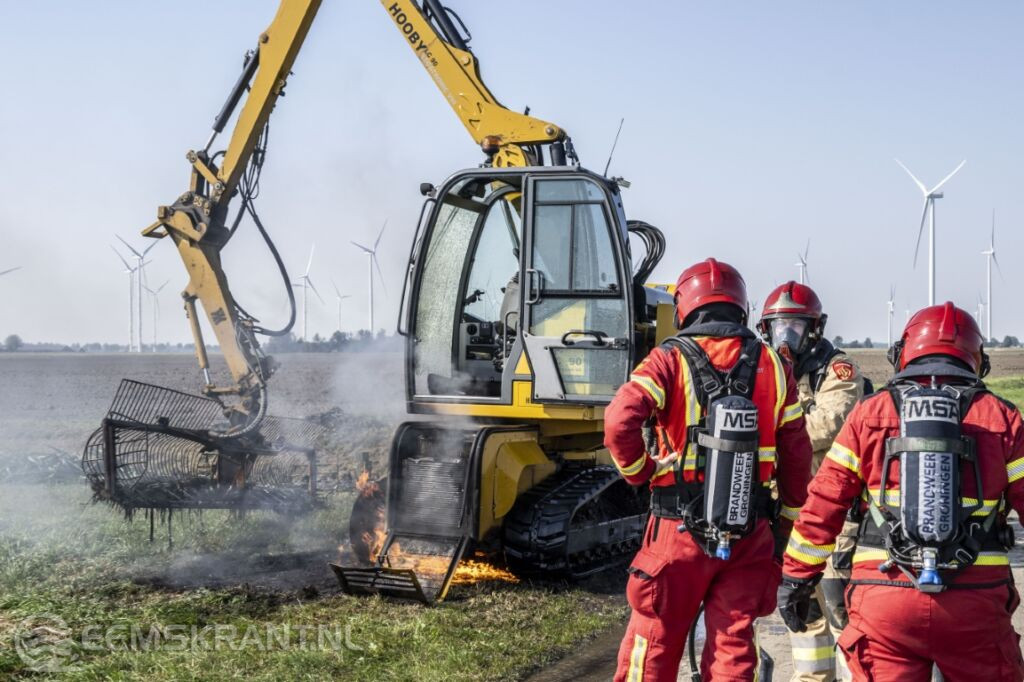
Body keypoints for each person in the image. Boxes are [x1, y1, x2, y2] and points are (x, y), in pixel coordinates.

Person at [780, 302, 1024, 681]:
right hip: (975, 602)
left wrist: (796, 578)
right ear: (977, 360)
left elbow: (824, 503)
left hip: (884, 596)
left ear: (904, 354)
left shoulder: (870, 414)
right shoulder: (1002, 418)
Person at [606, 258, 813, 681]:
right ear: (741, 308)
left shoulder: (666, 360)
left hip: (675, 532)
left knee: (654, 641)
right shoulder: (775, 365)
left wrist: (640, 470)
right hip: (748, 532)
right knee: (733, 650)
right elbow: (797, 454)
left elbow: (618, 421)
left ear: (685, 308)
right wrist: (788, 524)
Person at [758, 281, 867, 682]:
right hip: (791, 516)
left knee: (842, 610)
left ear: (814, 329)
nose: (785, 338)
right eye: (778, 328)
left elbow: (826, 425)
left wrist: (771, 428)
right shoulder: (769, 372)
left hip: (836, 519)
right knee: (802, 613)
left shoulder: (839, 370)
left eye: (795, 328)